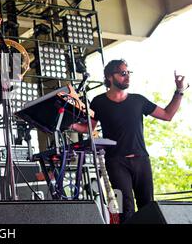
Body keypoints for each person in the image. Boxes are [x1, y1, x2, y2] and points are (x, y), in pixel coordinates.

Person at [71, 59, 187, 223]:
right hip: (115, 162)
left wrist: (179, 90)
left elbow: (167, 115)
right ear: (110, 77)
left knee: (148, 206)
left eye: (128, 73)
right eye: (123, 73)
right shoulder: (98, 102)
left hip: (141, 160)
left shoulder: (138, 100)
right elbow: (88, 127)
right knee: (125, 209)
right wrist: (72, 124)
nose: (128, 77)